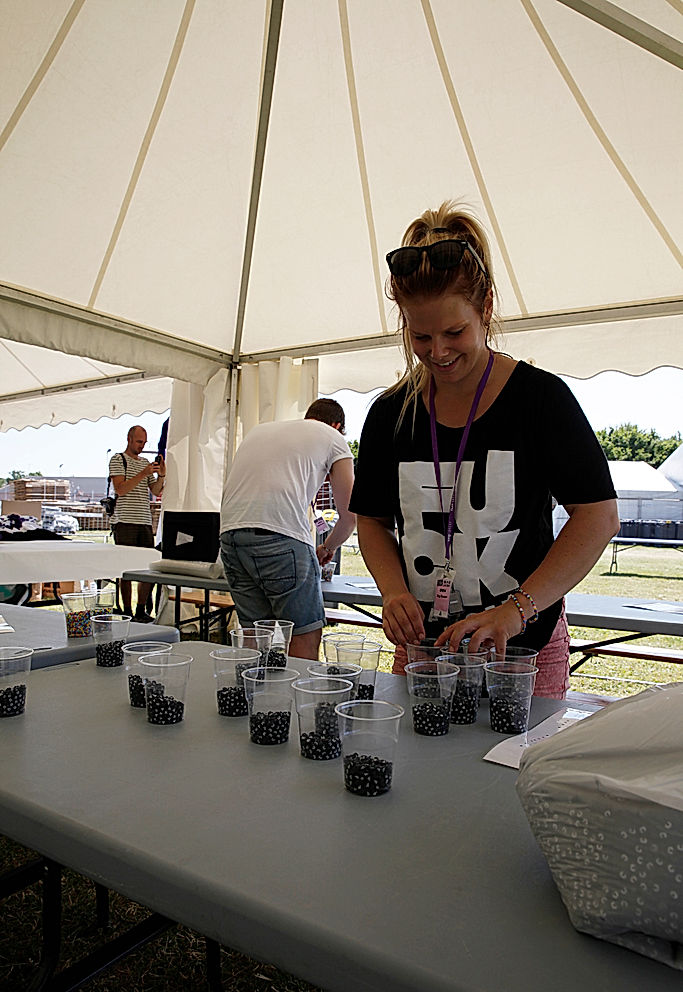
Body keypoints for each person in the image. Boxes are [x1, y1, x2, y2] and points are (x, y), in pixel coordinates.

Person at [350, 202, 619, 696]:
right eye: (420, 335)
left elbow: (598, 516)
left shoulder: (540, 399)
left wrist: (515, 611)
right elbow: (371, 520)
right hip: (423, 651)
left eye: (455, 332)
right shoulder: (390, 414)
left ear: (487, 307)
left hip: (521, 655)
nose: (438, 352)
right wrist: (392, 591)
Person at [219, 399, 356, 660]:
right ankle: (299, 688)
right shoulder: (333, 438)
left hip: (230, 535)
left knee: (254, 635)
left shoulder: (260, 430)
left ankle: (251, 685)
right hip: (280, 536)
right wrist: (328, 547)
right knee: (303, 633)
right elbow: (350, 517)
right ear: (337, 425)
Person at [109, 425, 166, 622]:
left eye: (144, 442)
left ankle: (141, 610)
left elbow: (156, 491)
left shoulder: (145, 464)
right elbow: (120, 489)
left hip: (144, 521)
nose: (142, 446)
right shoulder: (118, 459)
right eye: (139, 442)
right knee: (125, 569)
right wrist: (143, 473)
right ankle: (127, 611)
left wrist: (161, 475)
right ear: (129, 439)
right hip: (125, 521)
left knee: (147, 567)